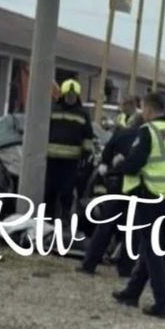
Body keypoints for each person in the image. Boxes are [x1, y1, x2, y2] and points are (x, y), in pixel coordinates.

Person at [112, 92, 165, 318]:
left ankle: (163, 302)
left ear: (148, 110)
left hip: (151, 193)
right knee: (153, 245)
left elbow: (135, 163)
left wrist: (119, 165)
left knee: (150, 248)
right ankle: (132, 292)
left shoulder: (149, 131)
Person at [76, 113, 145, 276]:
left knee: (106, 225)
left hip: (117, 184)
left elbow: (106, 157)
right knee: (132, 229)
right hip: (138, 186)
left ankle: (90, 263)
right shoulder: (146, 137)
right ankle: (126, 268)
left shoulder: (121, 134)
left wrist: (112, 167)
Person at [45, 79, 94, 224]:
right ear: (63, 94)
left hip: (71, 161)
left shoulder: (83, 114)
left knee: (67, 190)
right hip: (52, 158)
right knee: (50, 190)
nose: (70, 98)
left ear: (77, 96)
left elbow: (87, 136)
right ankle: (48, 217)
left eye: (73, 95)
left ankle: (65, 217)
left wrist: (85, 155)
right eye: (68, 95)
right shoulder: (53, 109)